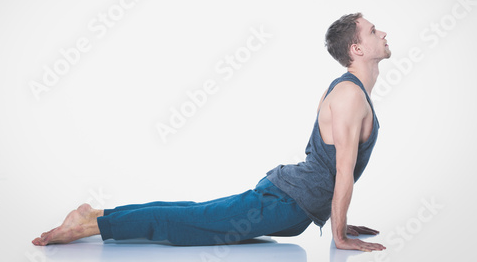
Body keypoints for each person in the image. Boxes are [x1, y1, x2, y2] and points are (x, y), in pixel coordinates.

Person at [32, 13, 390, 252]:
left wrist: (338, 218)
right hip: (285, 203)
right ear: (356, 49)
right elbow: (342, 170)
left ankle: (96, 215)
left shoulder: (353, 93)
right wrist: (339, 234)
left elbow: (332, 170)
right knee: (191, 223)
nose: (383, 32)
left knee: (195, 213)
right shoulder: (349, 95)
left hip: (292, 204)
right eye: (373, 31)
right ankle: (90, 225)